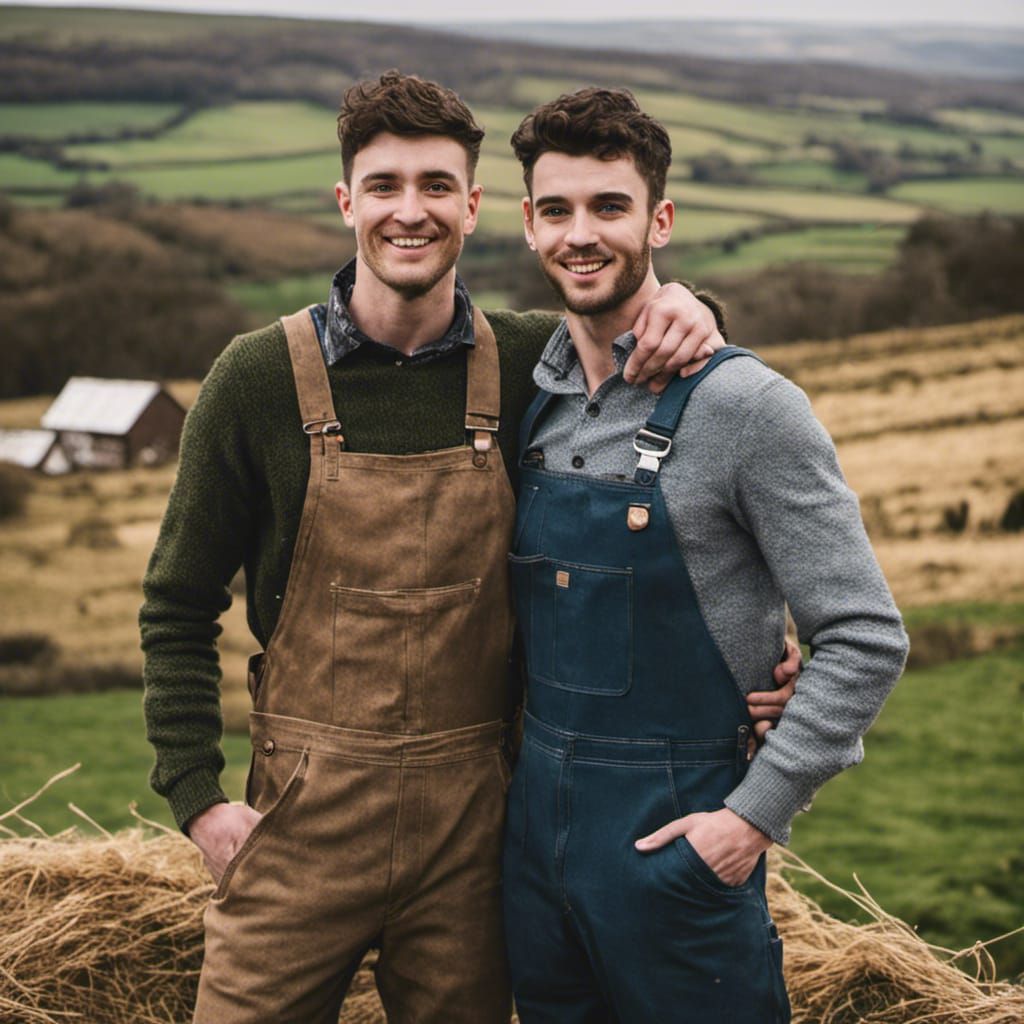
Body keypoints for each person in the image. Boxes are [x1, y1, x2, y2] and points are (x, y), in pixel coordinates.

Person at [140, 72, 797, 1024]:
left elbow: (645, 349)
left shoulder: (535, 362)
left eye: (437, 187)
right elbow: (175, 604)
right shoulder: (255, 380)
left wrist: (700, 307)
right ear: (345, 202)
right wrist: (199, 798)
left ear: (480, 207)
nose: (411, 212)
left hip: (475, 838)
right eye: (385, 186)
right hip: (299, 828)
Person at [502, 87, 909, 1024]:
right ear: (527, 225)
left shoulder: (750, 409)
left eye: (610, 206)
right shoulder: (533, 396)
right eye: (557, 209)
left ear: (662, 220)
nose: (581, 234)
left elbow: (864, 635)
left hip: (678, 851)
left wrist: (750, 820)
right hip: (532, 855)